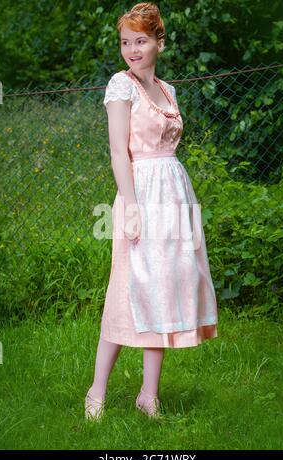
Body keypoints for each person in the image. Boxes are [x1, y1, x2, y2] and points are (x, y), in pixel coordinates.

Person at [85, 2, 218, 421]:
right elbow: (117, 152)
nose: (132, 49)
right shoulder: (120, 86)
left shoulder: (168, 90)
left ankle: (149, 395)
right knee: (127, 291)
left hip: (173, 192)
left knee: (162, 289)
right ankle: (97, 391)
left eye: (140, 41)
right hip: (140, 190)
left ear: (159, 41)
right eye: (126, 42)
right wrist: (130, 208)